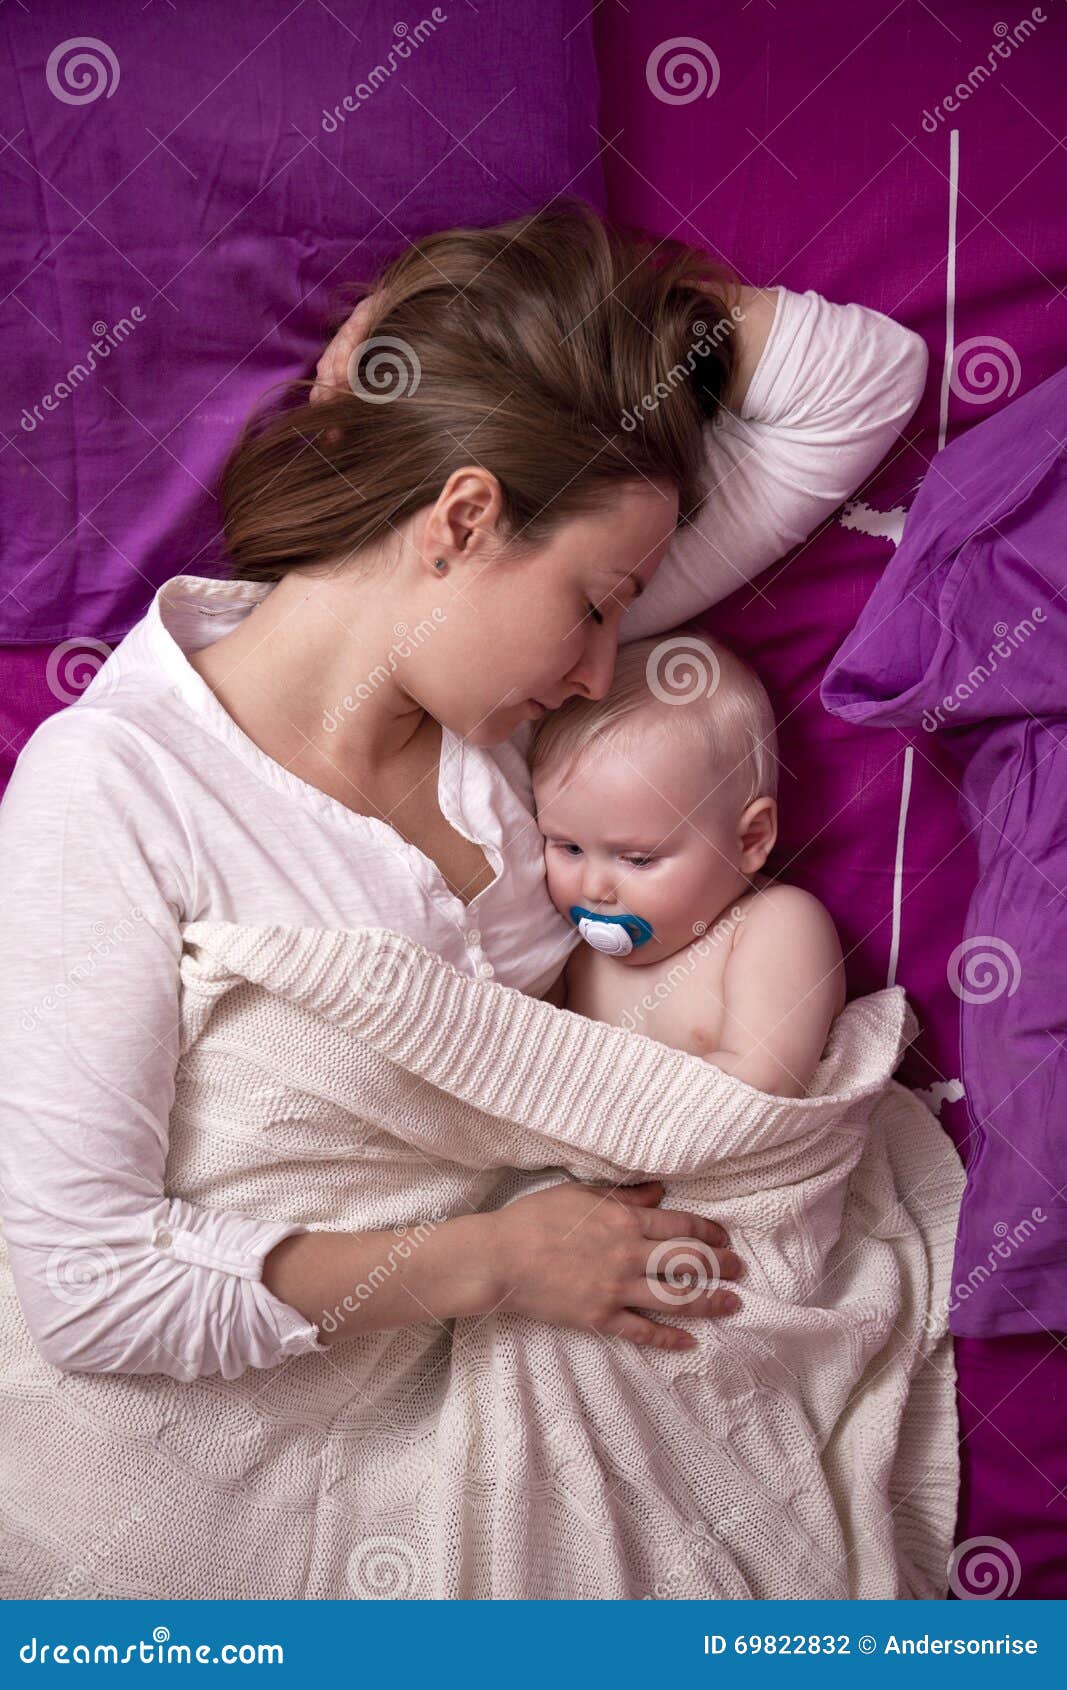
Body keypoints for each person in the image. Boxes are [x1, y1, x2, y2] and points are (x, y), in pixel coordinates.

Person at [0, 200, 927, 1388]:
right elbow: (88, 1292)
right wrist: (487, 1262)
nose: (608, 669)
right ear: (465, 520)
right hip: (277, 1392)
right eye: (595, 605)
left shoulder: (504, 724)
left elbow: (858, 380)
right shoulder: (119, 784)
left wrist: (463, 334)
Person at [529, 628, 846, 1097]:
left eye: (638, 858)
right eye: (568, 848)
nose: (594, 887)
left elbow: (765, 1084)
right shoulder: (572, 956)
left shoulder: (774, 926)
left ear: (750, 839)